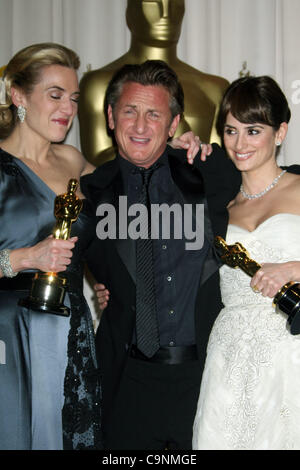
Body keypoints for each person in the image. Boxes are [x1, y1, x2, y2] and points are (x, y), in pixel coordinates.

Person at [80, 59, 240, 450]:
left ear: (174, 125)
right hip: (125, 381)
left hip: (205, 380)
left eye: (154, 114)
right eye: (130, 111)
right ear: (110, 116)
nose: (139, 126)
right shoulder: (90, 193)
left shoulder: (210, 175)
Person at [0, 43, 102, 450]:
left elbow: (133, 190)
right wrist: (26, 258)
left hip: (73, 328)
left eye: (73, 98)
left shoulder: (74, 161)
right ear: (18, 96)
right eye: (55, 94)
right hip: (12, 333)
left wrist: (180, 148)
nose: (68, 108)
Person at [192, 75, 300, 450]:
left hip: (291, 350)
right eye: (231, 131)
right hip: (229, 353)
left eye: (253, 130)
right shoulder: (219, 206)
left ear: (280, 132)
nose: (239, 144)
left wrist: (295, 268)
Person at [78, 0, 229, 166]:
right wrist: (166, 151)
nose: (166, 14)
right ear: (131, 13)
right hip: (126, 189)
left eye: (176, 5)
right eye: (152, 3)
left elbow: (219, 162)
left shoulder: (214, 88)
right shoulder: (98, 85)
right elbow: (99, 163)